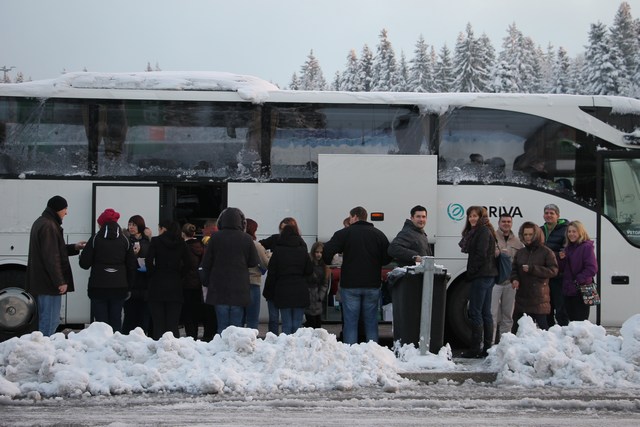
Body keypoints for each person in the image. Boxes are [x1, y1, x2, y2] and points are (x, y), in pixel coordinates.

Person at [322, 206, 391, 344]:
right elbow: (387, 258)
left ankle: (350, 354)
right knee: (371, 322)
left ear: (354, 217)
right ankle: (373, 352)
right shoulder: (378, 234)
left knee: (350, 323)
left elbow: (326, 253)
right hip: (372, 284)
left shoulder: (344, 234)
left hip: (350, 285)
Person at [25, 195, 86, 336]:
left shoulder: (43, 222)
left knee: (47, 318)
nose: (66, 212)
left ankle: (44, 347)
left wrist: (74, 247)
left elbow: (54, 249)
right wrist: (60, 282)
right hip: (49, 285)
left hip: (44, 282)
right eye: (65, 209)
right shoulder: (49, 226)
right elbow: (51, 257)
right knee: (50, 321)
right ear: (58, 209)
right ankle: (45, 350)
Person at [201, 207, 259, 334]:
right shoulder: (246, 238)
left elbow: (206, 263)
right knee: (236, 328)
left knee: (222, 326)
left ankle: (222, 351)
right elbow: (254, 262)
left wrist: (206, 282)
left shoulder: (215, 238)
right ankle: (235, 351)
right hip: (239, 289)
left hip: (218, 288)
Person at [79, 208, 137, 333]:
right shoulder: (125, 240)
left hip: (98, 287)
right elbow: (132, 266)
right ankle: (114, 348)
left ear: (102, 223)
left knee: (101, 324)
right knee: (116, 321)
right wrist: (129, 286)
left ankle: (101, 350)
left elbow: (84, 264)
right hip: (119, 287)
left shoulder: (95, 239)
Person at [458, 206, 498, 358]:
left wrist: (472, 272)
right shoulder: (485, 230)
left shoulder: (481, 232)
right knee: (485, 312)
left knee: (475, 311)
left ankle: (475, 348)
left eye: (475, 216)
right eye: (470, 216)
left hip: (481, 276)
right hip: (488, 275)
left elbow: (480, 255)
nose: (472, 219)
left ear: (481, 217)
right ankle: (487, 347)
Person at [264, 224, 313, 334]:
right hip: (300, 289)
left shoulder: (278, 251)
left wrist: (270, 291)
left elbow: (272, 272)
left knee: (286, 323)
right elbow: (309, 270)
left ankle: (287, 347)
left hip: (283, 289)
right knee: (297, 323)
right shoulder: (303, 251)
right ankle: (297, 347)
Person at [146, 220, 191, 340]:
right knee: (172, 323)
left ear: (164, 229)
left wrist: (153, 274)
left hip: (157, 285)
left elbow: (148, 261)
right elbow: (189, 263)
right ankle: (173, 350)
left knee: (158, 323)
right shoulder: (181, 242)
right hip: (175, 284)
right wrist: (179, 275)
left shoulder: (156, 241)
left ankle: (158, 351)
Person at [511, 222, 559, 331]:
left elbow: (553, 270)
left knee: (543, 329)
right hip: (522, 297)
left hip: (539, 298)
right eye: (525, 234)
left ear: (536, 235)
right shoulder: (521, 252)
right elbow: (514, 269)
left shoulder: (546, 252)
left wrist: (533, 269)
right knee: (518, 329)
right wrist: (514, 279)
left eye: (530, 234)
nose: (527, 237)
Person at [259, 217, 303, 334]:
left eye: (285, 228)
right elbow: (259, 245)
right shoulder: (276, 239)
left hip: (285, 284)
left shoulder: (298, 242)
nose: (283, 231)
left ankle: (284, 342)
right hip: (276, 283)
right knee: (275, 318)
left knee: (287, 320)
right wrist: (267, 256)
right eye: (281, 228)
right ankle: (274, 341)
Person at [491, 213, 523, 344]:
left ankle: (505, 344)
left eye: (508, 222)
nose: (506, 224)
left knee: (508, 316)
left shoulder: (517, 242)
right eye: (503, 221)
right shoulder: (492, 237)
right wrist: (496, 253)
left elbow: (519, 262)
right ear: (498, 223)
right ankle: (489, 343)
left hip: (510, 282)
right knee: (491, 315)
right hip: (494, 282)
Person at [558, 220, 598, 322]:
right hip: (568, 290)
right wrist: (561, 260)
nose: (571, 234)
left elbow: (592, 268)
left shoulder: (586, 247)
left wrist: (578, 280)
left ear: (580, 232)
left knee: (581, 322)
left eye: (574, 231)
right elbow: (563, 269)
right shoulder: (567, 248)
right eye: (569, 231)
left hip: (582, 289)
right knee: (571, 321)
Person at [122, 214, 152, 335]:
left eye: (134, 225)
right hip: (131, 284)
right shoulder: (126, 241)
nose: (131, 227)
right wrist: (134, 255)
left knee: (144, 317)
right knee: (129, 316)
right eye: (129, 224)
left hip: (145, 283)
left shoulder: (147, 242)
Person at [541, 203, 569, 327]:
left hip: (559, 275)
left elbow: (566, 251)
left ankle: (563, 331)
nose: (549, 215)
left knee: (560, 306)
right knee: (547, 307)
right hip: (545, 275)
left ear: (558, 215)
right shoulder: (541, 230)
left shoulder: (566, 230)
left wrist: (555, 255)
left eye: (551, 213)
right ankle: (549, 334)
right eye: (546, 213)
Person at [245, 218, 271, 330]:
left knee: (239, 318)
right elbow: (266, 264)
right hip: (253, 281)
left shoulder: (237, 243)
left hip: (238, 282)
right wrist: (270, 255)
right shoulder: (256, 245)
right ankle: (251, 343)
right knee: (252, 318)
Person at [181, 223, 206, 340]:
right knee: (196, 311)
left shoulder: (183, 247)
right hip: (198, 283)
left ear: (183, 234)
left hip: (186, 283)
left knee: (187, 312)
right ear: (194, 233)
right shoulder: (201, 246)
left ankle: (190, 336)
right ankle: (195, 334)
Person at [200, 218, 219, 341]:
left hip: (208, 282)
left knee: (209, 309)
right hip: (218, 281)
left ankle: (208, 335)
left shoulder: (208, 242)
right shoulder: (221, 241)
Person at [304, 241, 330, 329]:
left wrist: (320, 296)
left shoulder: (324, 266)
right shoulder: (308, 264)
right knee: (311, 324)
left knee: (318, 324)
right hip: (309, 297)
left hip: (318, 299)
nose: (319, 254)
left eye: (321, 252)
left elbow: (325, 283)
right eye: (317, 252)